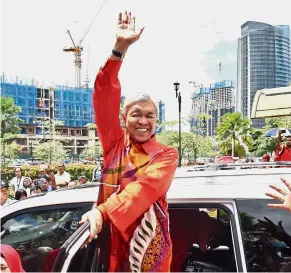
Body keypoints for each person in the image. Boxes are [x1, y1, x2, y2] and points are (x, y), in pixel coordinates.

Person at [80, 11, 178, 272]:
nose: (143, 121)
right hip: (111, 247)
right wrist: (119, 49)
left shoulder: (166, 155)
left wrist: (101, 212)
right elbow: (103, 96)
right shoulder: (114, 145)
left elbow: (141, 190)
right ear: (124, 118)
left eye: (150, 116)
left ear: (156, 121)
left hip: (148, 254)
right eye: (136, 114)